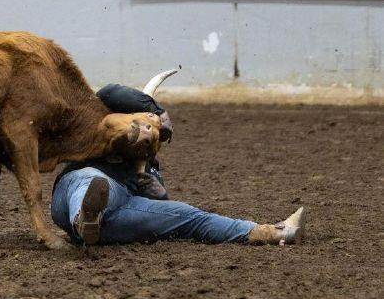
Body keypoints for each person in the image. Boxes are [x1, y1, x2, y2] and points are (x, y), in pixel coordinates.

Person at [51, 84, 307, 247]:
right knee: (92, 179)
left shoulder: (149, 166)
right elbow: (108, 92)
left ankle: (275, 232)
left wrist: (159, 194)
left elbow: (157, 208)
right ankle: (84, 219)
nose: (148, 130)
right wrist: (157, 110)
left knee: (191, 215)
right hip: (71, 196)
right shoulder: (106, 122)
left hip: (120, 215)